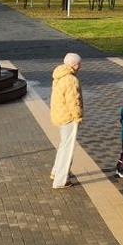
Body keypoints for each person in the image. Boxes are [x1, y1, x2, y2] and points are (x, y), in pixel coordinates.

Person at [50, 52, 83, 189]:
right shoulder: (71, 80)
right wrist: (78, 116)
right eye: (79, 64)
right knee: (68, 149)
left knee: (63, 145)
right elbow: (73, 101)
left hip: (59, 115)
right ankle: (61, 180)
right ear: (74, 65)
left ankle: (56, 171)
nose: (80, 66)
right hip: (69, 117)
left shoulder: (59, 75)